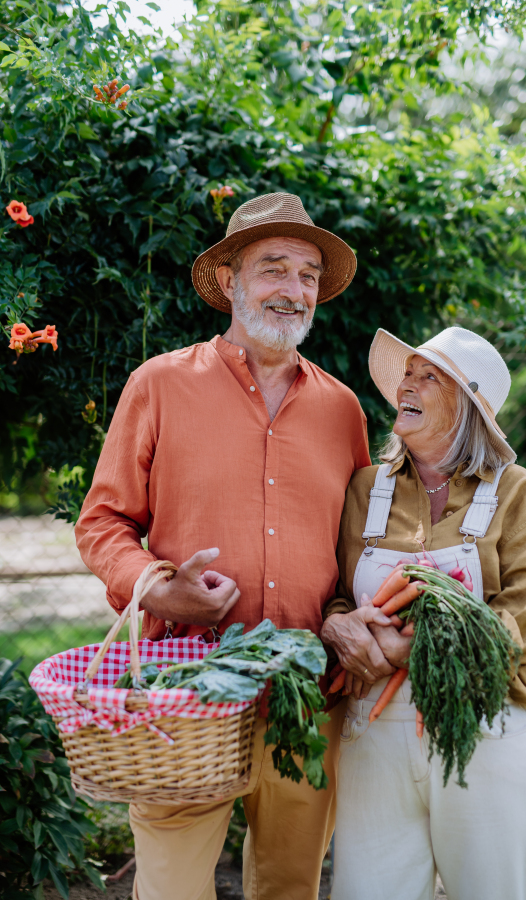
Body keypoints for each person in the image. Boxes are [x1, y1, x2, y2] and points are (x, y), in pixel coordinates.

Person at [75, 192, 374, 900]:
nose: (293, 289)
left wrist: (349, 618)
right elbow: (103, 521)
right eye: (273, 268)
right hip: (185, 696)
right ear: (230, 282)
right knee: (172, 888)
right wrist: (154, 584)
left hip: (308, 697)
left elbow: (361, 550)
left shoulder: (343, 410)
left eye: (307, 275)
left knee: (289, 887)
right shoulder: (160, 385)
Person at [321, 325, 526, 900]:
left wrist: (414, 651)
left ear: (469, 407)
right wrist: (338, 623)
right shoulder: (364, 489)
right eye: (408, 372)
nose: (408, 383)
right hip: (372, 732)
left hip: (485, 728)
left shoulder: (515, 494)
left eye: (430, 377)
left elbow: (516, 629)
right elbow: (332, 590)